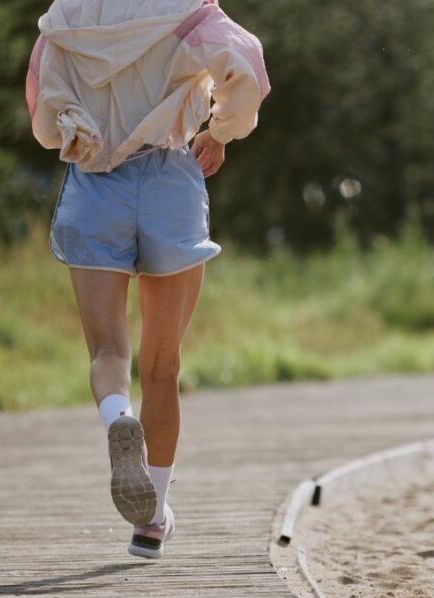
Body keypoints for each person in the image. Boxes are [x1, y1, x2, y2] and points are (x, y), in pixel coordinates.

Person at [25, 0, 269, 559]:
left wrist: (81, 127)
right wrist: (221, 131)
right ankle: (151, 521)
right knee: (163, 364)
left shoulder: (67, 17)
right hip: (170, 180)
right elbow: (248, 66)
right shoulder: (186, 12)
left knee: (108, 349)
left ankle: (118, 417)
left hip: (94, 183)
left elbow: (44, 111)